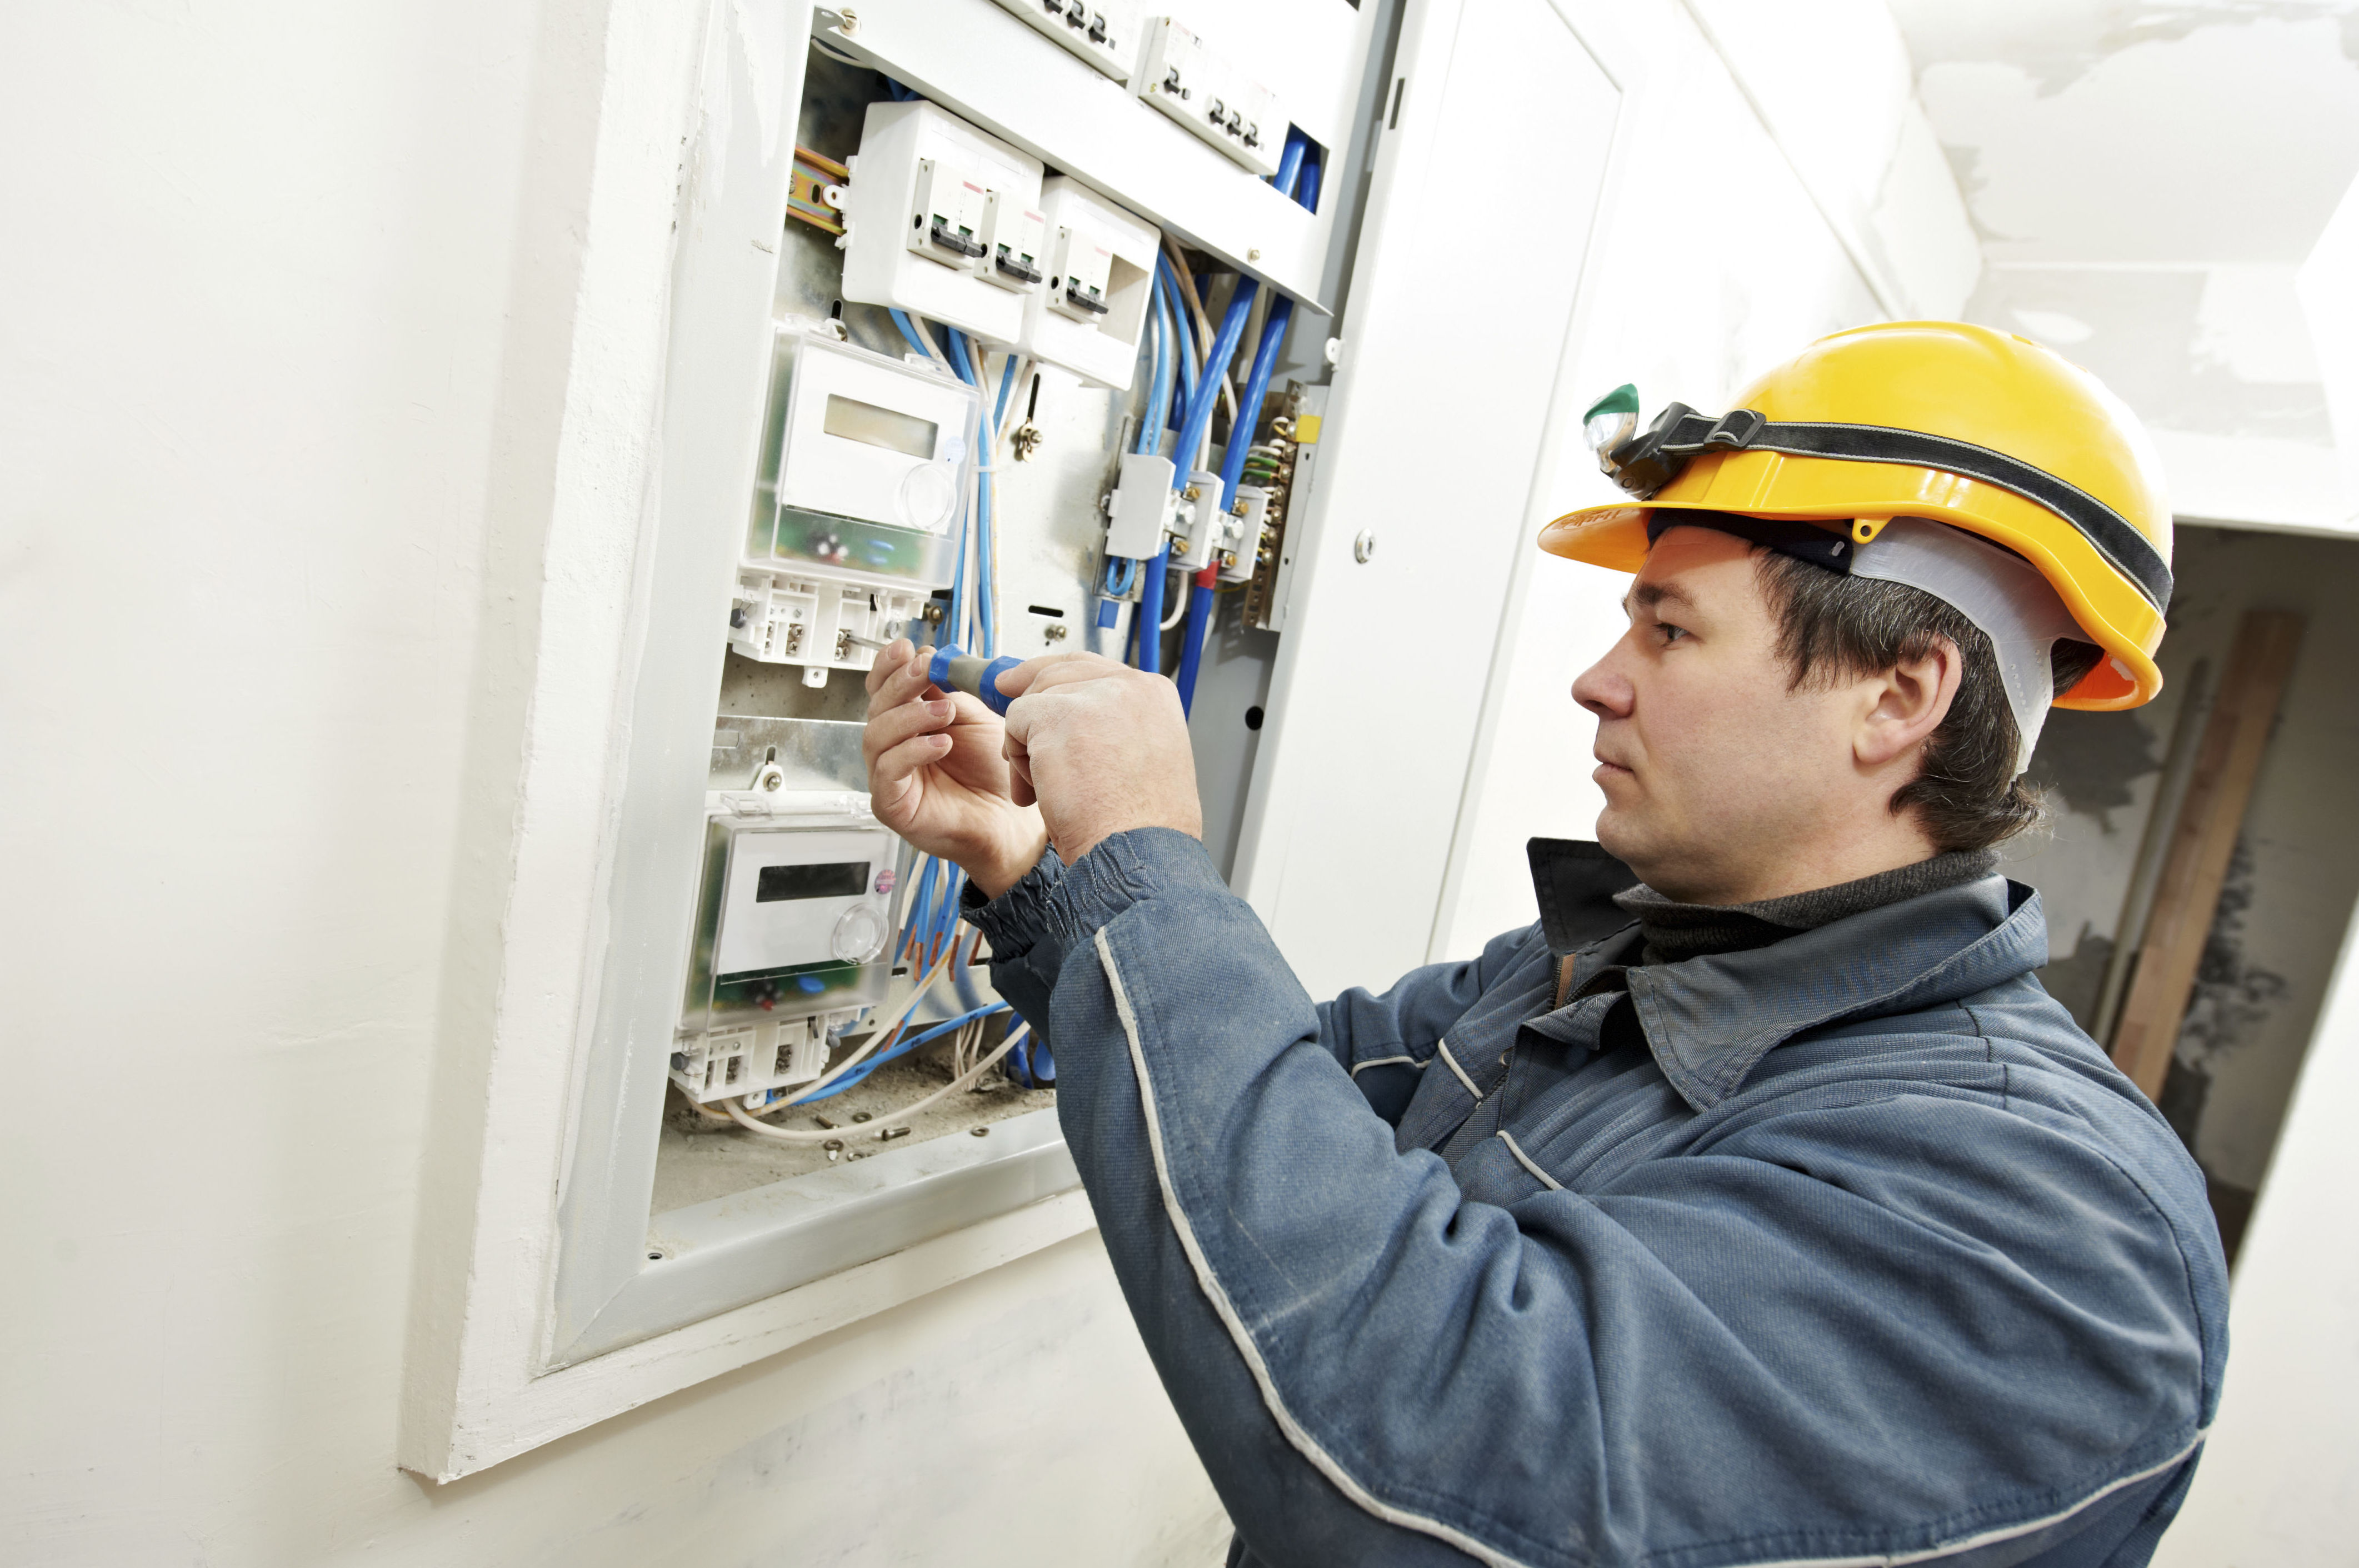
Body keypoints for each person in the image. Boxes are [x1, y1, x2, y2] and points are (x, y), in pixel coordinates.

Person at [861, 322, 2225, 1567]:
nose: (1596, 678)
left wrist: (1145, 861)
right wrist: (1046, 875)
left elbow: (1437, 1473)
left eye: (1669, 626)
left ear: (1897, 694)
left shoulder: (2049, 1219)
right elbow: (1299, 1100)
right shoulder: (1613, 966)